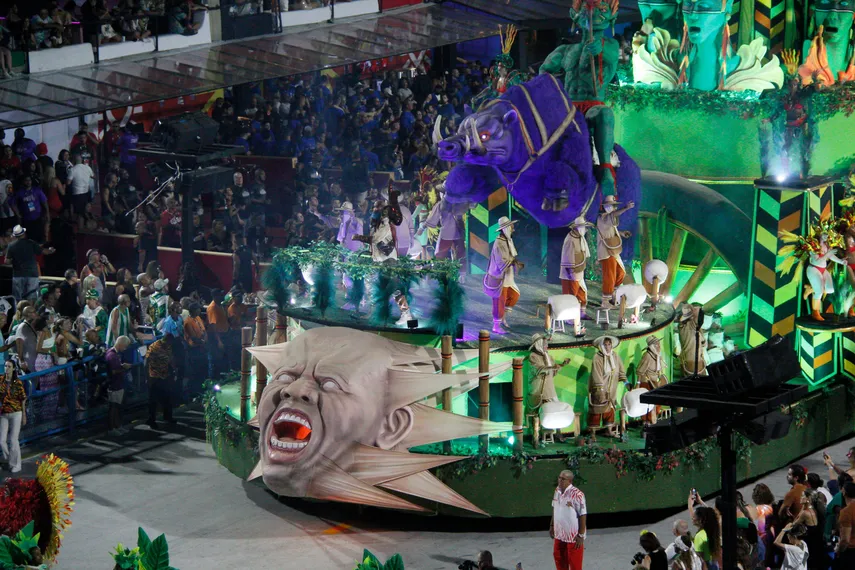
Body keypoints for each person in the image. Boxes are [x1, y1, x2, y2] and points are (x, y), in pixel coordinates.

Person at [483, 216, 522, 334]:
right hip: (500, 276)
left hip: (508, 277)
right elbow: (502, 261)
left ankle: (502, 318)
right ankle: (496, 325)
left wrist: (516, 263)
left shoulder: (507, 241)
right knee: (499, 301)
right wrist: (514, 263)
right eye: (511, 227)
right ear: (506, 229)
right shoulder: (499, 243)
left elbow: (510, 257)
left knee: (514, 295)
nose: (513, 229)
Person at [596, 195, 634, 307]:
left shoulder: (608, 218)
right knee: (610, 275)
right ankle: (606, 300)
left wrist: (622, 233)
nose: (613, 208)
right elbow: (613, 216)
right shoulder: (602, 218)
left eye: (614, 206)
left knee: (621, 272)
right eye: (611, 205)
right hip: (606, 251)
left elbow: (612, 228)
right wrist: (626, 208)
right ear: (605, 206)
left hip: (613, 251)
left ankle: (613, 293)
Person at [588, 335, 625, 437]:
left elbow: (620, 370)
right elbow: (596, 374)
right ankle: (593, 433)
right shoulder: (597, 357)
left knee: (610, 409)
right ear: (601, 346)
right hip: (600, 388)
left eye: (609, 344)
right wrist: (600, 389)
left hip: (612, 389)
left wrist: (626, 382)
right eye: (605, 344)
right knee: (597, 409)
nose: (608, 347)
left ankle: (609, 430)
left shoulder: (615, 356)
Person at [6, 225, 54, 301]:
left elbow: (7, 261)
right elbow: (45, 251)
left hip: (18, 276)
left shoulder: (11, 246)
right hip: (32, 275)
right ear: (24, 234)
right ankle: (30, 312)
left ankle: (19, 312)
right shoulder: (31, 243)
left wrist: (15, 261)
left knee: (18, 299)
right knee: (32, 298)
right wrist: (51, 250)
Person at [551, 469, 586, 570]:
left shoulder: (578, 495)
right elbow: (554, 508)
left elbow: (583, 515)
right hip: (559, 534)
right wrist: (552, 525)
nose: (560, 480)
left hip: (573, 537)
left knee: (575, 564)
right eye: (559, 478)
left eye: (563, 479)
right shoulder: (557, 491)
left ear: (570, 481)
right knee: (559, 559)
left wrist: (581, 535)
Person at [561, 217, 593, 316]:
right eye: (583, 227)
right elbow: (567, 256)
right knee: (571, 295)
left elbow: (584, 253)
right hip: (571, 272)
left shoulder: (580, 237)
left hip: (579, 271)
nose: (585, 229)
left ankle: (581, 313)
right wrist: (571, 272)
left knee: (582, 292)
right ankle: (569, 316)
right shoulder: (570, 239)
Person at [635, 335, 668, 424]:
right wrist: (638, 383)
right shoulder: (647, 356)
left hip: (654, 383)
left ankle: (653, 422)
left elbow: (659, 370)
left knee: (657, 403)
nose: (659, 346)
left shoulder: (657, 356)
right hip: (646, 383)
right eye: (656, 344)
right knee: (649, 405)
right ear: (652, 346)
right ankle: (648, 422)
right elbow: (639, 371)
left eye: (659, 343)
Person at [146, 334, 176, 429]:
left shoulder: (168, 346)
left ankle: (168, 416)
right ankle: (151, 420)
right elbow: (147, 360)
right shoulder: (154, 347)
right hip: (155, 376)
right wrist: (147, 377)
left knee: (167, 397)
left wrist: (174, 370)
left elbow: (170, 359)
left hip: (165, 375)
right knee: (153, 400)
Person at [0, 361, 25, 473]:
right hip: (4, 413)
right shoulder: (1, 380)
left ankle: (16, 464)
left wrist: (24, 414)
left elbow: (23, 398)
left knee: (13, 440)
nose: (7, 368)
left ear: (14, 368)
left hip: (16, 412)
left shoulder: (17, 382)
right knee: (2, 441)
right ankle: (10, 459)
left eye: (9, 366)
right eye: (5, 366)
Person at [104, 336, 132, 435]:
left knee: (117, 407)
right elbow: (114, 371)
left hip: (118, 384)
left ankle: (118, 426)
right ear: (120, 344)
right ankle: (112, 429)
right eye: (125, 346)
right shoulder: (112, 355)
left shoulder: (113, 354)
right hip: (114, 385)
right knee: (114, 407)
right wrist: (125, 368)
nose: (125, 349)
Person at [183, 302, 207, 395]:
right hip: (194, 349)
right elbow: (193, 337)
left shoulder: (198, 318)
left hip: (202, 347)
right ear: (193, 310)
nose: (200, 310)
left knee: (202, 370)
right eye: (198, 309)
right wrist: (202, 342)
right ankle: (194, 392)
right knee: (195, 371)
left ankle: (202, 389)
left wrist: (205, 340)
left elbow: (204, 331)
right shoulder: (188, 322)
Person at [690, 505, 722, 570]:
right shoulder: (711, 532)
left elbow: (699, 557)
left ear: (700, 520)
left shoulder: (699, 536)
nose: (692, 517)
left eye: (694, 516)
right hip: (714, 564)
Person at [206, 289, 228, 380]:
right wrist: (219, 341)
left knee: (221, 357)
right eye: (220, 295)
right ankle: (214, 379)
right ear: (215, 297)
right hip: (216, 337)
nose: (222, 297)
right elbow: (213, 325)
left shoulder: (220, 305)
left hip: (223, 334)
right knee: (216, 357)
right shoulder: (212, 308)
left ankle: (221, 377)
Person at [834, 481, 855, 568]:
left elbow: (845, 540)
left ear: (844, 492)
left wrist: (838, 551)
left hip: (851, 553)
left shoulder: (846, 512)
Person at [14, 306, 38, 374]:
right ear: (28, 314)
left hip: (35, 359)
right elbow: (19, 344)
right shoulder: (22, 327)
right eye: (33, 312)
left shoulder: (31, 325)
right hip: (28, 362)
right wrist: (22, 361)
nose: (36, 313)